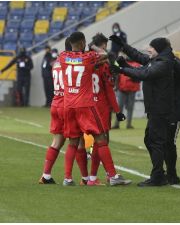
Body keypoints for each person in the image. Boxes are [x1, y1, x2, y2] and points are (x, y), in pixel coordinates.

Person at [59, 31, 131, 186]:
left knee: (73, 142)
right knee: (101, 139)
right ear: (83, 42)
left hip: (69, 105)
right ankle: (112, 175)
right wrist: (93, 47)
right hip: (85, 105)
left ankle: (67, 178)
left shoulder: (63, 56)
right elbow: (106, 55)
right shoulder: (88, 57)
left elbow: (79, 60)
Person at [110, 35, 174, 187]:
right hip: (156, 108)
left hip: (160, 109)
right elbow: (138, 56)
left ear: (158, 49)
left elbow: (145, 74)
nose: (148, 50)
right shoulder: (157, 60)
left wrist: (121, 69)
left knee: (155, 141)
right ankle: (160, 173)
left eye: (151, 48)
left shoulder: (164, 63)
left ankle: (158, 175)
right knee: (150, 139)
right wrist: (123, 45)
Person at [39, 38, 90, 185]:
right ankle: (84, 178)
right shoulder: (72, 62)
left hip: (56, 103)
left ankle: (46, 175)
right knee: (78, 141)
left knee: (57, 141)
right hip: (68, 104)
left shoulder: (56, 62)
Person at [87, 32, 126, 185]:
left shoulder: (85, 60)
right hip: (100, 107)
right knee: (102, 140)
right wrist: (117, 110)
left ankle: (90, 177)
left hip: (84, 104)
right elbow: (109, 90)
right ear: (103, 45)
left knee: (95, 142)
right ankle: (110, 175)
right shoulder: (103, 63)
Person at [165, 56, 180, 184]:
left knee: (169, 143)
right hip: (161, 110)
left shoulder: (176, 62)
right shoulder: (159, 62)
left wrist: (173, 61)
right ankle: (162, 172)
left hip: (175, 111)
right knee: (154, 140)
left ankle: (172, 173)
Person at [112, 53, 140, 129]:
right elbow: (117, 75)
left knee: (129, 108)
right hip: (122, 89)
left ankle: (128, 124)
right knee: (120, 108)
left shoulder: (137, 64)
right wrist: (116, 86)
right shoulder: (122, 63)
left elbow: (138, 77)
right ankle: (117, 124)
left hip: (132, 90)